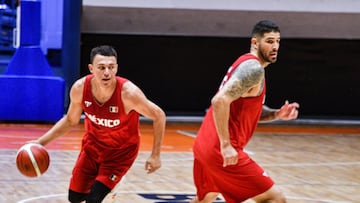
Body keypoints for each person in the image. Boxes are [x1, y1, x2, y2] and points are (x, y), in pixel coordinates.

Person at [31, 45, 166, 203]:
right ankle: (109, 185)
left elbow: (159, 115)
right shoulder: (80, 89)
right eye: (101, 67)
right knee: (74, 198)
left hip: (120, 153)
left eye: (111, 67)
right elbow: (70, 120)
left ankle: (112, 183)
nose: (107, 72)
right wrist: (40, 143)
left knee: (93, 200)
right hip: (92, 149)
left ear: (116, 68)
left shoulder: (129, 94)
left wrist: (155, 155)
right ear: (91, 68)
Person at [191, 20, 300, 203]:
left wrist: (276, 114)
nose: (275, 46)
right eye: (270, 41)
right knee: (275, 199)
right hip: (220, 150)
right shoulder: (253, 69)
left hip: (204, 145)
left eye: (278, 41)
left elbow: (244, 111)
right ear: (255, 43)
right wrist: (226, 146)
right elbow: (219, 101)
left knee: (205, 199)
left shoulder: (245, 63)